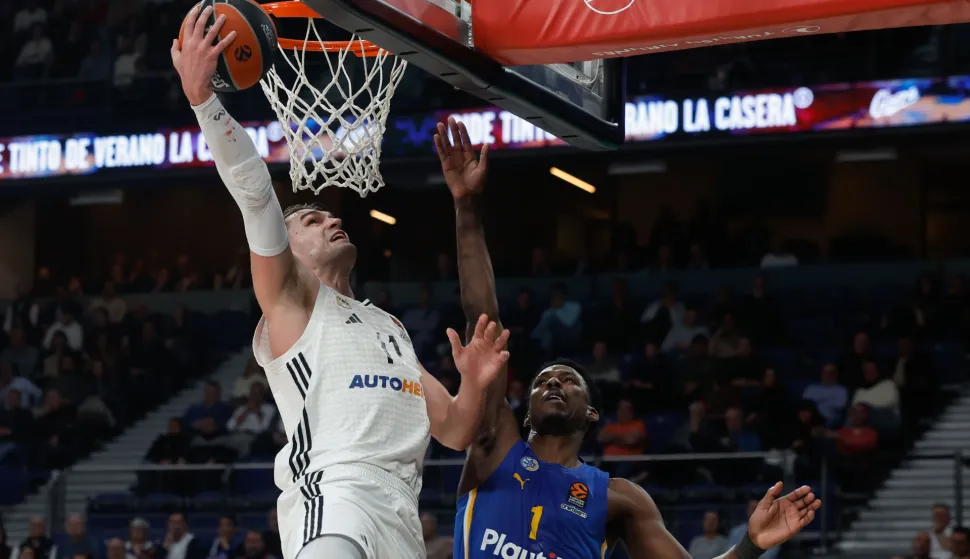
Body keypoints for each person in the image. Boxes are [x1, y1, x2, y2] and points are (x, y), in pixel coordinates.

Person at [171, 9, 511, 559]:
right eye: (309, 220)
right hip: (334, 496)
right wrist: (204, 101)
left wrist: (472, 382)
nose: (330, 219)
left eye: (326, 216)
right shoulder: (293, 303)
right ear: (288, 251)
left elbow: (453, 429)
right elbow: (255, 193)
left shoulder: (390, 327)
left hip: (402, 515)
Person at [435, 117, 822, 558]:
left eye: (567, 380)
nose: (553, 383)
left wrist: (751, 545)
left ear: (592, 413)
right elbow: (481, 316)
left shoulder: (619, 499)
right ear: (525, 412)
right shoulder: (494, 441)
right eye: (543, 380)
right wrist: (466, 205)